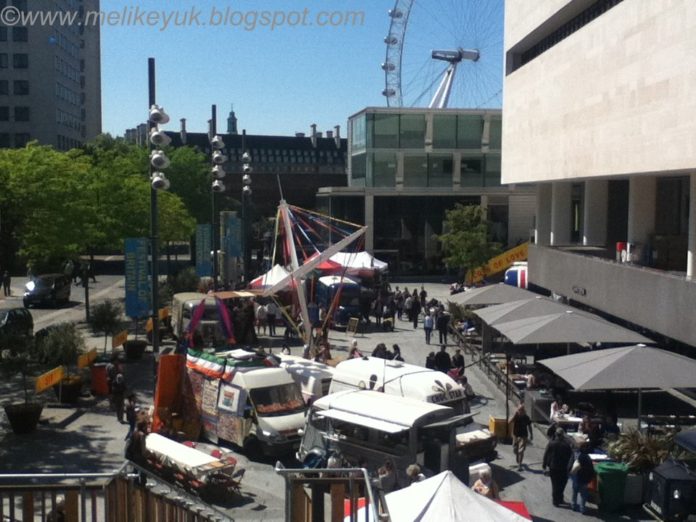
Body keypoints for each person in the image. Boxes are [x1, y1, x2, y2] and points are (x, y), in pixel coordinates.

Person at [543, 427, 574, 507]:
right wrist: (569, 467)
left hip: (553, 467)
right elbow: (571, 456)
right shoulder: (567, 445)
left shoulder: (551, 443)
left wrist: (544, 465)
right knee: (562, 484)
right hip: (563, 467)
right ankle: (559, 499)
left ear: (556, 434)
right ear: (563, 435)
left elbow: (546, 454)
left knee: (555, 484)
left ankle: (556, 500)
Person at [570, 442, 596, 514]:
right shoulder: (587, 458)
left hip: (577, 477)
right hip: (584, 478)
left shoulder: (578, 455)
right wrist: (591, 477)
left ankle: (573, 505)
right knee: (583, 495)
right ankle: (582, 508)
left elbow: (573, 466)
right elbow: (591, 469)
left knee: (575, 492)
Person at [511, 403, 533, 471]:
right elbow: (509, 422)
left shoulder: (526, 417)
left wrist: (531, 434)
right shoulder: (516, 416)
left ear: (524, 411)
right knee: (515, 450)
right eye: (519, 410)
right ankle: (517, 455)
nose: (520, 411)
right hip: (515, 435)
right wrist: (514, 416)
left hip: (523, 436)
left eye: (521, 410)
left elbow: (529, 426)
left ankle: (519, 465)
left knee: (521, 451)